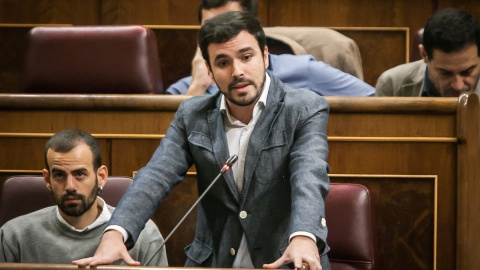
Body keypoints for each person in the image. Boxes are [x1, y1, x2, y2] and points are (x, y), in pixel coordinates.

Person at [74, 11, 331, 270]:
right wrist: (116, 232)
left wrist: (303, 236)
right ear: (209, 70)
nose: (237, 71)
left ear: (265, 56)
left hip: (287, 260)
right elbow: (155, 176)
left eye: (246, 57)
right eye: (223, 63)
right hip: (215, 262)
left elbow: (309, 175)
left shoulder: (304, 108)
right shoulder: (192, 115)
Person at [0, 129, 168, 266]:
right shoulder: (13, 236)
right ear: (47, 179)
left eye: (79, 174)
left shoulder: (143, 234)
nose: (70, 186)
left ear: (101, 176)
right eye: (59, 175)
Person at [165, 0, 374, 97]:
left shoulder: (303, 70)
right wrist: (198, 87)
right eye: (210, 26)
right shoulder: (188, 86)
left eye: (229, 24)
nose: (220, 33)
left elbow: (374, 103)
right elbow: (166, 145)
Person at [375, 8, 480, 97]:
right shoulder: (391, 85)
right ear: (424, 55)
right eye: (445, 73)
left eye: (467, 72)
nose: (458, 86)